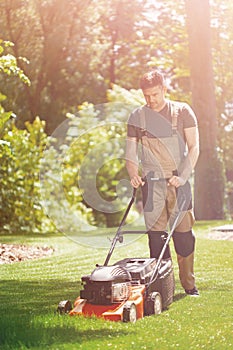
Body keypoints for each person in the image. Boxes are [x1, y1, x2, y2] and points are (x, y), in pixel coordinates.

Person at [126, 69, 200, 296]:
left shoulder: (183, 112)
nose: (151, 100)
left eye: (155, 94)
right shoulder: (138, 116)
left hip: (178, 182)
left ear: (164, 89)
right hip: (152, 185)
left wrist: (184, 175)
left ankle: (189, 285)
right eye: (146, 95)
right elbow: (130, 151)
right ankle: (163, 288)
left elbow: (194, 147)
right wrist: (133, 173)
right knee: (157, 239)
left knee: (183, 236)